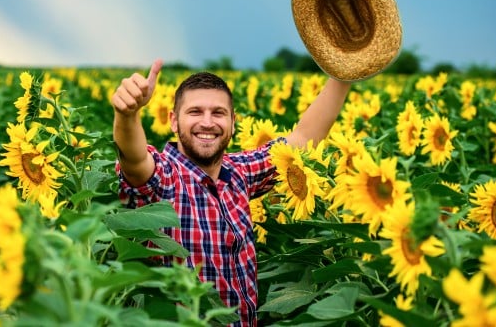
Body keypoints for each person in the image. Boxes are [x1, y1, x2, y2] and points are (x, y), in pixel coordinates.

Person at [111, 58, 351, 326]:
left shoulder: (239, 173)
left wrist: (343, 75)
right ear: (173, 121)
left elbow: (304, 138)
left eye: (218, 113)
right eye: (194, 112)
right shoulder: (165, 177)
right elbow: (134, 160)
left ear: (232, 122)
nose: (207, 122)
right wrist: (127, 114)